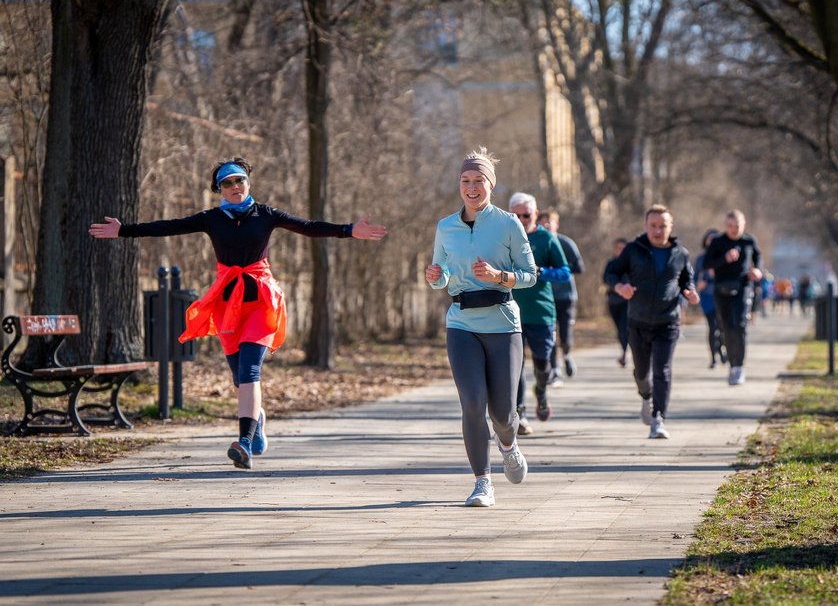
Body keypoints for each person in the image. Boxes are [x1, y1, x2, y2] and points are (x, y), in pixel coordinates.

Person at [89, 157, 388, 470]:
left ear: (248, 182)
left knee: (249, 372)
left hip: (261, 301)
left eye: (239, 180)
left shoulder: (266, 214)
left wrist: (349, 230)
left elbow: (308, 227)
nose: (234, 187)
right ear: (219, 188)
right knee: (238, 377)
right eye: (227, 183)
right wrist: (123, 231)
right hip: (227, 304)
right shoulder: (212, 218)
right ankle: (257, 418)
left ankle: (243, 442)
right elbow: (168, 227)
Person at [426, 147, 534, 507]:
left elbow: (530, 275)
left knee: (503, 414)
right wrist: (435, 278)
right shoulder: (445, 227)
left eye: (479, 181)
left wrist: (499, 276)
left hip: (503, 324)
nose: (472, 188)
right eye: (465, 181)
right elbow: (440, 274)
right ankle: (482, 482)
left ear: (491, 184)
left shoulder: (508, 223)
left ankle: (509, 443)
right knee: (472, 403)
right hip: (461, 324)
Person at [604, 204, 699, 439]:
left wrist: (689, 291)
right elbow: (611, 273)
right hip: (637, 321)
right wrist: (620, 286)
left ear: (670, 227)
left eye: (662, 226)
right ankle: (646, 396)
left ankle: (659, 419)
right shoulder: (633, 250)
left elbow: (687, 279)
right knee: (642, 372)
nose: (658, 231)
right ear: (646, 226)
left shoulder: (680, 253)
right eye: (653, 226)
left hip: (668, 322)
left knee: (662, 370)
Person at [509, 193, 570, 435]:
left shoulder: (547, 239)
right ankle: (519, 413)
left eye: (526, 215)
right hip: (510, 312)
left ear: (535, 215)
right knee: (515, 366)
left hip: (541, 312)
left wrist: (541, 271)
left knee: (542, 365)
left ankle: (541, 390)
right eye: (516, 215)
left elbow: (565, 272)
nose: (521, 219)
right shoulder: (504, 237)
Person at [702, 209, 763, 386]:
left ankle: (739, 366)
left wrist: (757, 269)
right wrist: (724, 259)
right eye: (730, 226)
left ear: (743, 225)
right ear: (725, 226)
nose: (734, 229)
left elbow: (758, 256)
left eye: (737, 226)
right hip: (721, 288)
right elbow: (707, 263)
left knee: (740, 325)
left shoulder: (749, 240)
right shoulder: (718, 242)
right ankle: (732, 364)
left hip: (743, 286)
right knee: (727, 327)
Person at [537, 209, 585, 385]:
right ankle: (555, 370)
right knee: (550, 333)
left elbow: (580, 267)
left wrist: (555, 269)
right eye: (542, 221)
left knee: (565, 334)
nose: (546, 224)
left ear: (557, 224)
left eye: (550, 221)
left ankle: (566, 354)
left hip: (566, 295)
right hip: (545, 296)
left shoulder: (565, 243)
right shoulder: (536, 243)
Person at [695, 229, 726, 369]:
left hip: (722, 296)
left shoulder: (723, 257)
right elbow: (694, 276)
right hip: (707, 297)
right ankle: (713, 358)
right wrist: (698, 283)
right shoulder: (701, 258)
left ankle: (721, 350)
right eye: (709, 239)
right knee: (712, 327)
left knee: (723, 328)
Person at [605, 237, 630, 367]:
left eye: (623, 248)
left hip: (628, 301)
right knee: (619, 329)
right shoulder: (611, 263)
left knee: (624, 327)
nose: (620, 251)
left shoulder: (631, 263)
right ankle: (624, 349)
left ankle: (625, 353)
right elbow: (605, 278)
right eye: (618, 248)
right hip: (614, 301)